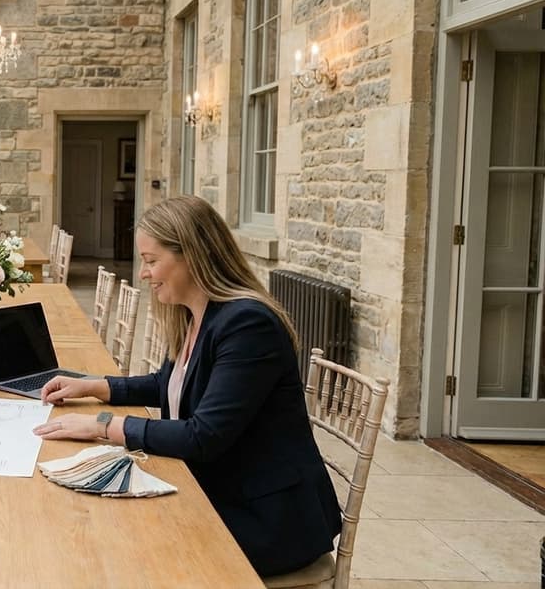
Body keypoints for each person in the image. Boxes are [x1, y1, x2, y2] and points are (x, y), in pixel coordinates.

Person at [32, 195, 341, 577]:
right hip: (220, 489)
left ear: (192, 255)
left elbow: (203, 436)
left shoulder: (248, 325)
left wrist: (104, 427)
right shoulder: (196, 315)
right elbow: (167, 384)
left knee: (117, 549)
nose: (144, 274)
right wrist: (93, 386)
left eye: (150, 260)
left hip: (267, 518)